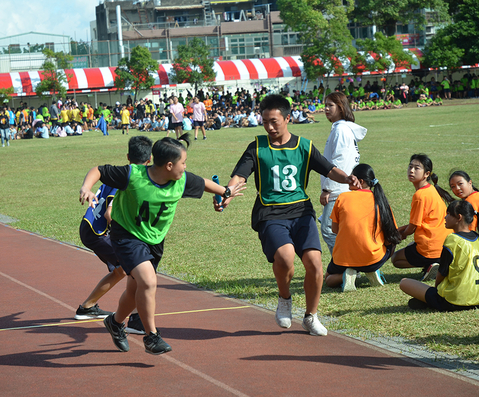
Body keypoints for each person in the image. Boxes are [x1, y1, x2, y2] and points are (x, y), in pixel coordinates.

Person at [79, 133, 245, 354]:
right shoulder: (132, 175)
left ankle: (116, 322)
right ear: (168, 165)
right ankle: (152, 337)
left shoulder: (181, 180)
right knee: (148, 281)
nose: (185, 167)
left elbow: (203, 183)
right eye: (183, 163)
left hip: (154, 241)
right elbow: (99, 170)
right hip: (126, 236)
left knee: (135, 290)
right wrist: (86, 187)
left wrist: (225, 191)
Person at [218, 94, 360, 336]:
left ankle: (310, 316)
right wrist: (226, 193)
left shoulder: (304, 145)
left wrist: (348, 178)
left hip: (301, 211)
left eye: (274, 121)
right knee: (285, 259)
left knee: (315, 263)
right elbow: (240, 176)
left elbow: (328, 168)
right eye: (265, 122)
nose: (269, 127)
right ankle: (285, 299)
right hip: (270, 213)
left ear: (287, 118)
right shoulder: (257, 147)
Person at [75, 136, 153, 335]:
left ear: (128, 156)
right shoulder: (129, 181)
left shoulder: (120, 174)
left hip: (90, 226)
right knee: (135, 269)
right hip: (99, 232)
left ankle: (87, 307)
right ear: (150, 160)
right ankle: (135, 320)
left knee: (121, 270)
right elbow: (110, 215)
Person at [400, 200, 479, 311]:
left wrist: (436, 293)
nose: (445, 217)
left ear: (459, 217)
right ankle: (426, 301)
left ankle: (428, 301)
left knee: (404, 282)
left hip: (458, 301)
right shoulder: (478, 237)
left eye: (449, 214)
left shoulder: (453, 239)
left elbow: (442, 272)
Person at [325, 164, 401, 292]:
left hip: (344, 258)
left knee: (328, 279)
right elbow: (391, 233)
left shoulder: (343, 197)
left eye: (351, 177)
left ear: (360, 181)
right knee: (391, 243)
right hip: (373, 258)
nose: (349, 180)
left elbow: (335, 230)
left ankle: (347, 275)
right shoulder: (380, 200)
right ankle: (371, 270)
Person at [319, 92, 367, 255]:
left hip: (339, 190)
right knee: (340, 230)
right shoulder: (341, 129)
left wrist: (328, 189)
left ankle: (347, 266)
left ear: (340, 108)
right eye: (325, 105)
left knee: (328, 229)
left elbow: (339, 161)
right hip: (343, 188)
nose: (326, 109)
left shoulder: (341, 131)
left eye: (330, 105)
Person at [392, 154, 454, 280]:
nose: (411, 170)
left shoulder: (420, 195)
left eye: (417, 168)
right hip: (444, 246)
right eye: (410, 167)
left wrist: (402, 234)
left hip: (430, 246)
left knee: (395, 259)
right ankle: (434, 264)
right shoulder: (431, 189)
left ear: (427, 174)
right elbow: (418, 222)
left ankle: (429, 264)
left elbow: (413, 226)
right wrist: (400, 230)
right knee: (412, 246)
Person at [449, 171, 479, 272]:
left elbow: (467, 232)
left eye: (460, 184)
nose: (457, 189)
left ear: (470, 182)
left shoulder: (469, 202)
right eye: (452, 186)